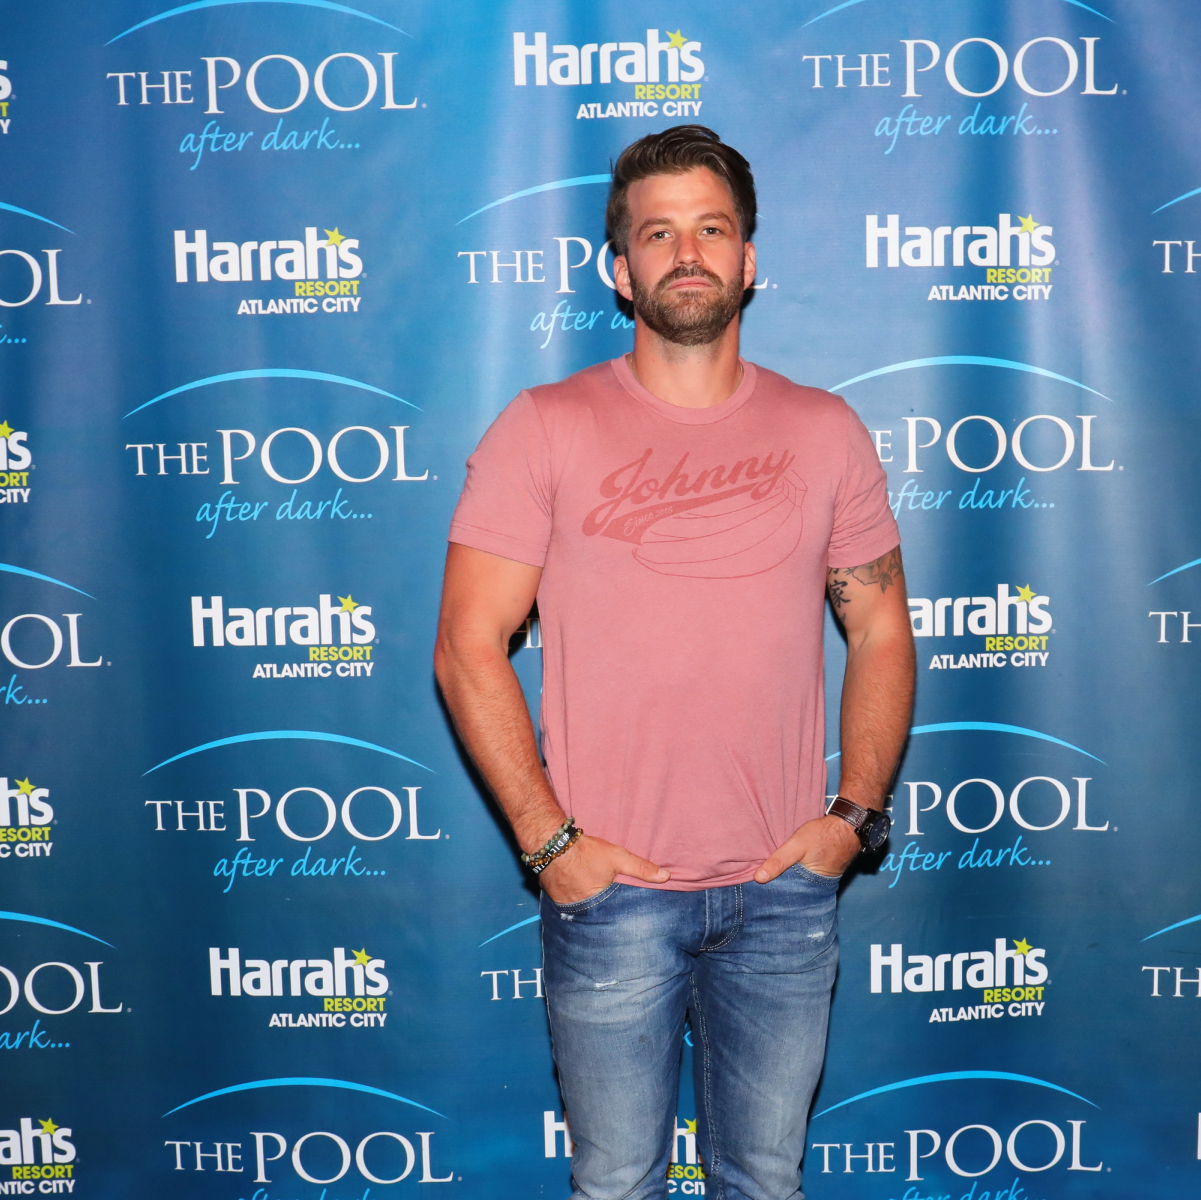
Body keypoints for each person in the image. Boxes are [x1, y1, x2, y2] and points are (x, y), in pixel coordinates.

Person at [434, 125, 915, 1200]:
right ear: (620, 269)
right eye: (658, 234)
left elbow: (881, 626)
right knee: (614, 1187)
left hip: (785, 892)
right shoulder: (543, 428)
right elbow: (467, 645)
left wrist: (854, 818)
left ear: (749, 259)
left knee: (767, 1183)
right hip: (609, 896)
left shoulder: (826, 430)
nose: (687, 252)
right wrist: (549, 843)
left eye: (712, 229)